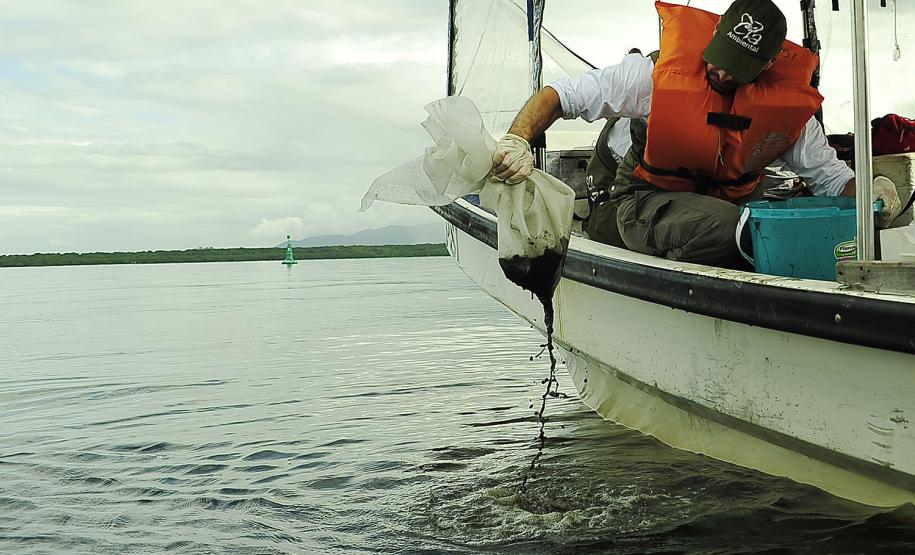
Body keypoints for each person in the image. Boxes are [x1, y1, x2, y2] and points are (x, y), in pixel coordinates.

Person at [491, 0, 901, 268]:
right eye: (720, 57)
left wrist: (870, 194)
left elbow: (830, 180)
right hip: (642, 200)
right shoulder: (652, 76)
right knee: (733, 227)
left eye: (738, 66)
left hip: (729, 204)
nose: (721, 72)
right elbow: (561, 94)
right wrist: (518, 140)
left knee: (783, 219)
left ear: (769, 64)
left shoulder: (789, 112)